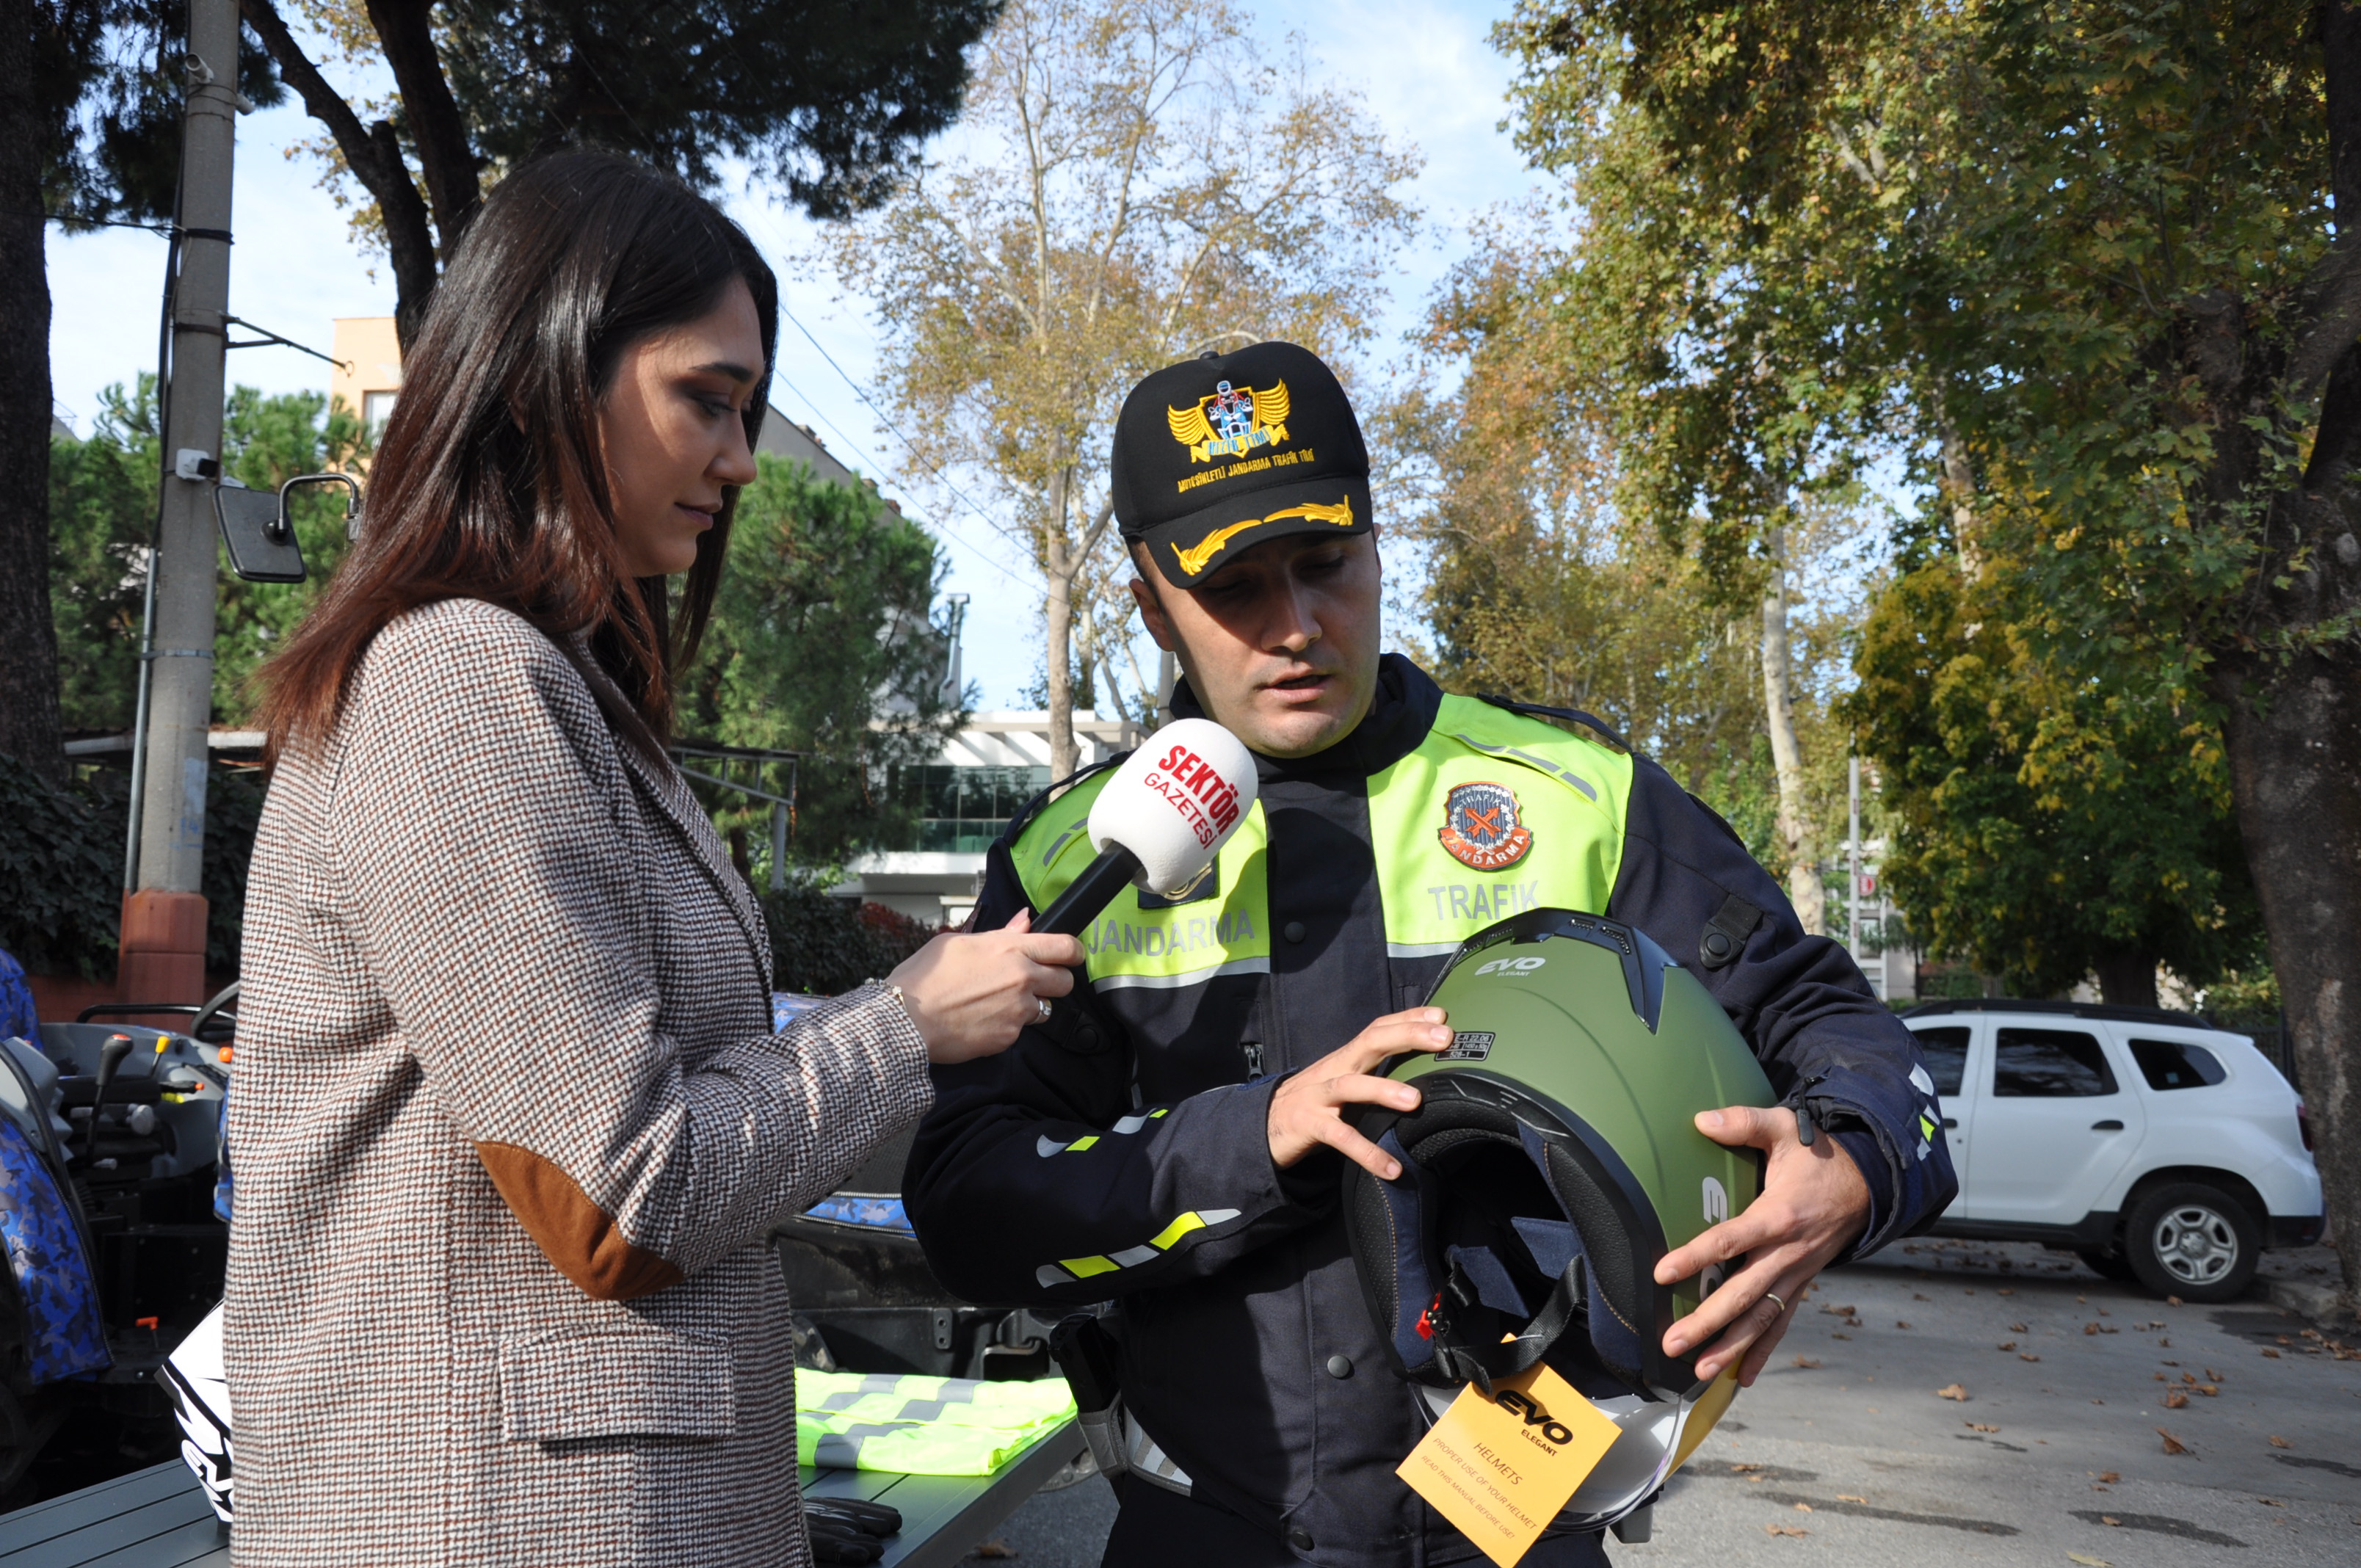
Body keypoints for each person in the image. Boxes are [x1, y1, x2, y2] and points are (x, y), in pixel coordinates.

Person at [905, 341, 1958, 1567]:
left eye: (1326, 565)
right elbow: (968, 1210)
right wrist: (1260, 1138)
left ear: (1375, 541)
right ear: (1149, 601)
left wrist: (1858, 1163)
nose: (1298, 627)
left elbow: (1834, 1025)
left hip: (1522, 1529)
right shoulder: (1062, 866)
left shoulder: (1576, 794)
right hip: (1211, 1534)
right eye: (1237, 588)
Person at [224, 150, 1083, 1567]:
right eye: (709, 400)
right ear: (550, 368)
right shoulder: (458, 678)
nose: (740, 461)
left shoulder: (553, 686)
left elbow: (681, 1122)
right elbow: (618, 1193)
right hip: (496, 1517)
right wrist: (907, 1021)